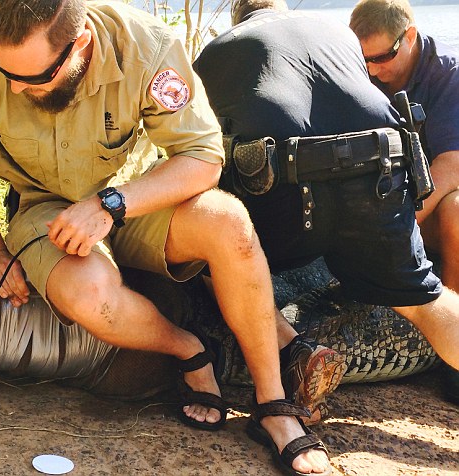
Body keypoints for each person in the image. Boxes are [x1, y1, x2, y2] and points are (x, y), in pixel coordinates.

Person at [0, 1, 332, 475]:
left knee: (230, 223)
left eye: (33, 78)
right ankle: (190, 350)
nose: (15, 87)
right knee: (88, 294)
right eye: (5, 72)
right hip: (45, 209)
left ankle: (272, 405)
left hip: (136, 199)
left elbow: (201, 157)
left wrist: (110, 206)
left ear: (80, 45)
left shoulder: (149, 46)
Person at [194, 0, 459, 449]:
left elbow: (197, 149)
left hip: (287, 183)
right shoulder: (332, 31)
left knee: (208, 250)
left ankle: (292, 351)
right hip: (376, 170)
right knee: (427, 303)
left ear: (239, 18)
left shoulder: (219, 50)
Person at [349, 0, 459, 406]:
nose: (373, 70)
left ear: (409, 36)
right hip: (393, 200)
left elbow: (451, 166)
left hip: (436, 203)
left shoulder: (448, 75)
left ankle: (453, 358)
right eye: (364, 61)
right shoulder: (363, 72)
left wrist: (400, 221)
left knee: (456, 212)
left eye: (381, 57)